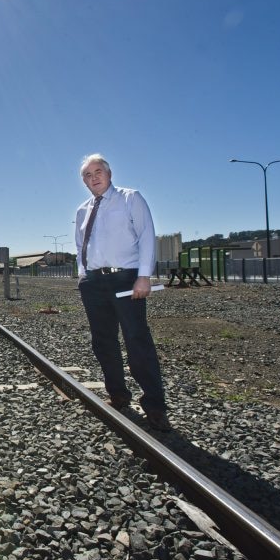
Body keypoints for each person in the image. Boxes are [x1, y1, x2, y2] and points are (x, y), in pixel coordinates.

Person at [74, 154, 171, 432]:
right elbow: (81, 246)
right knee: (103, 342)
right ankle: (118, 395)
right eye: (87, 175)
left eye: (98, 171)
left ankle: (155, 405)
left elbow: (146, 236)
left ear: (109, 173)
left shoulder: (131, 199)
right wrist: (83, 276)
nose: (94, 178)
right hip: (94, 283)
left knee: (137, 340)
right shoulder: (82, 210)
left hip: (126, 278)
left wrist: (144, 277)